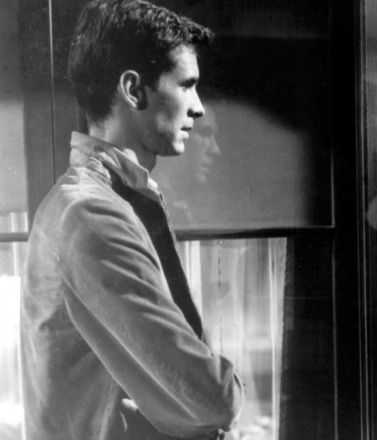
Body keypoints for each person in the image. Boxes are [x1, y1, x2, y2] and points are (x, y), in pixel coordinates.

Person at [20, 1, 244, 439]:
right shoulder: (91, 214)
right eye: (187, 85)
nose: (198, 107)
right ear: (134, 89)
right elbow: (214, 399)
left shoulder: (104, 201)